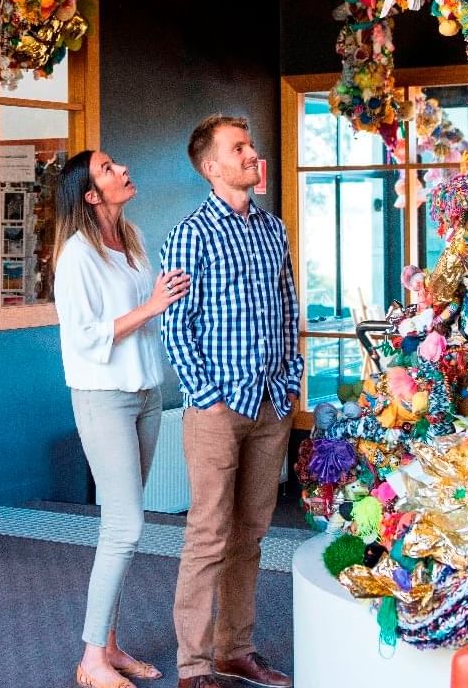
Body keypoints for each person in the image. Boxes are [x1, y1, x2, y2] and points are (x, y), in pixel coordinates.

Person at [160, 116, 302, 688]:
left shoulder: (274, 230)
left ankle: (233, 649)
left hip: (271, 404)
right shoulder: (190, 233)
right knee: (208, 535)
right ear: (211, 167)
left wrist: (290, 383)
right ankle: (193, 668)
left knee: (252, 533)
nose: (251, 153)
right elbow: (176, 325)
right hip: (219, 409)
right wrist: (208, 396)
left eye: (249, 145)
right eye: (237, 148)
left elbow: (289, 310)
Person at [54, 148, 192, 688]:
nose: (122, 171)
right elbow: (84, 336)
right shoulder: (76, 257)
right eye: (108, 170)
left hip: (144, 394)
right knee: (126, 525)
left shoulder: (129, 243)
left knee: (122, 531)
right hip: (102, 397)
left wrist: (169, 300)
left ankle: (110, 646)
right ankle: (91, 660)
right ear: (91, 195)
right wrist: (152, 307)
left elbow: (147, 316)